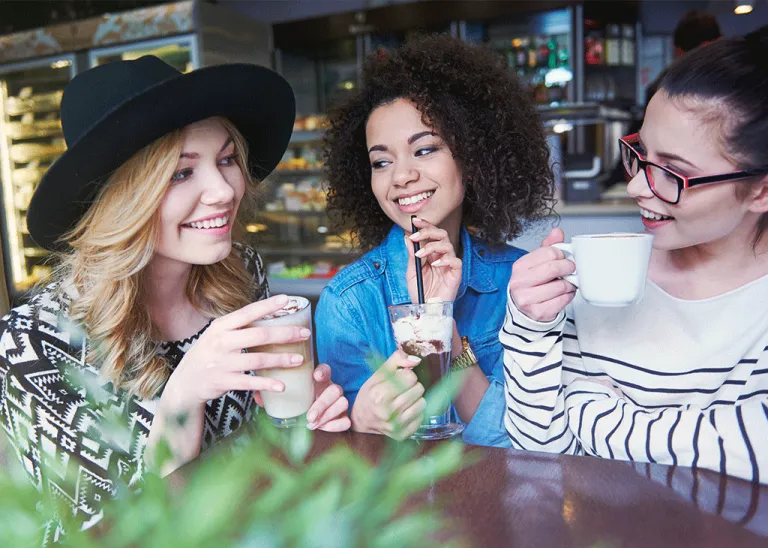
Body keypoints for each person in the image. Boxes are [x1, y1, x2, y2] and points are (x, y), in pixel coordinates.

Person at [0, 57, 350, 541]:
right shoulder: (34, 344)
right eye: (181, 173)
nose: (223, 190)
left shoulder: (242, 274)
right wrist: (182, 400)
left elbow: (263, 458)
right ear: (121, 198)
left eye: (226, 159)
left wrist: (305, 428)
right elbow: (102, 534)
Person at [502, 32, 768, 482]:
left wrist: (591, 413)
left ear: (760, 190)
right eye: (640, 154)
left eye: (672, 173)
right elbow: (539, 454)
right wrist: (530, 327)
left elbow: (756, 448)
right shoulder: (598, 276)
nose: (636, 187)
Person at [315, 34, 554, 445]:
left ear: (473, 156)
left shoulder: (517, 282)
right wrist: (357, 420)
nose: (401, 176)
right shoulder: (349, 302)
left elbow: (516, 442)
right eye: (381, 161)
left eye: (424, 150)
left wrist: (441, 322)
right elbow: (341, 460)